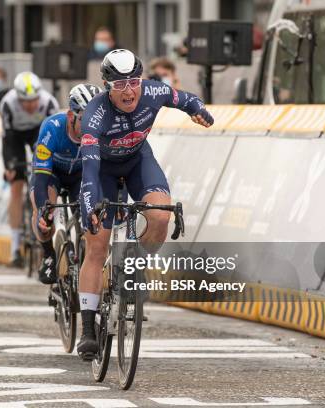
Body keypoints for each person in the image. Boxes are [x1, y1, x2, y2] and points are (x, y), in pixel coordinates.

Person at [76, 49, 214, 360]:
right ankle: (87, 327)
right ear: (107, 86)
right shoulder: (95, 116)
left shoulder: (153, 90)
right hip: (104, 172)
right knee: (97, 246)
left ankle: (133, 265)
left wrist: (200, 112)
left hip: (139, 162)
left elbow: (186, 99)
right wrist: (89, 210)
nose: (129, 91)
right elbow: (89, 174)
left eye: (134, 82)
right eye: (119, 85)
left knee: (161, 216)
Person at [31, 83, 101, 284]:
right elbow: (41, 177)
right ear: (71, 116)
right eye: (85, 119)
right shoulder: (51, 128)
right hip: (51, 173)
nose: (92, 126)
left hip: (80, 175)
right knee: (43, 215)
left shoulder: (101, 132)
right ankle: (48, 255)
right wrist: (45, 210)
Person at [0, 71, 59, 267]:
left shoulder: (49, 103)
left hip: (39, 135)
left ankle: (46, 239)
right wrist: (9, 165)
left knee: (45, 182)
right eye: (26, 101)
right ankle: (15, 248)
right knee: (16, 187)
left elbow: (53, 138)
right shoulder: (7, 104)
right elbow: (7, 139)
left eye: (34, 100)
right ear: (18, 97)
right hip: (15, 136)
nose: (31, 105)